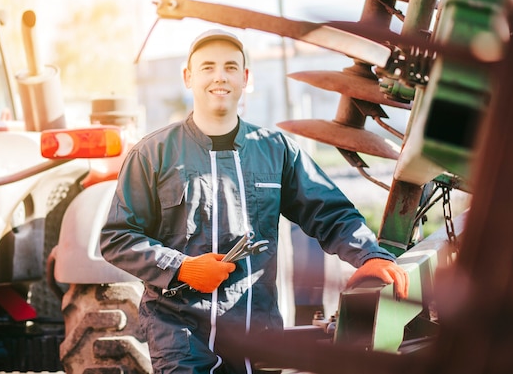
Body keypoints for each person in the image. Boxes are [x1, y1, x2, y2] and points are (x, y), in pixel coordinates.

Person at [100, 28, 409, 373]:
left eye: (231, 67)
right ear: (188, 77)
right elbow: (117, 238)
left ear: (246, 78)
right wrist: (181, 267)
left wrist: (370, 255)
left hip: (256, 334)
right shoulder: (153, 153)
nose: (220, 76)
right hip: (180, 334)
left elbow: (330, 212)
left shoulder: (276, 150)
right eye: (207, 67)